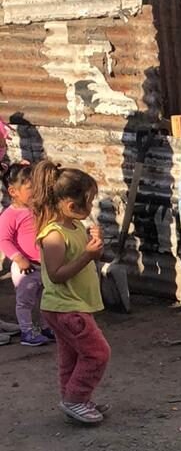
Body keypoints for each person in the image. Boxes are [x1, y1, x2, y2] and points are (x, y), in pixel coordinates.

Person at [32, 161, 110, 425]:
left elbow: (86, 257)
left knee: (72, 356)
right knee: (98, 353)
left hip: (72, 305)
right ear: (69, 205)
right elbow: (56, 274)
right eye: (88, 201)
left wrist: (94, 248)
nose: (91, 208)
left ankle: (74, 399)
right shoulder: (53, 235)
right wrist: (88, 256)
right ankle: (76, 399)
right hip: (65, 307)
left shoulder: (74, 227)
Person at [0, 162, 55, 346]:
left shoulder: (36, 208)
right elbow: (4, 240)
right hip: (26, 268)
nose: (34, 192)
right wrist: (18, 258)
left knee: (46, 300)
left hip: (43, 265)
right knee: (25, 302)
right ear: (13, 191)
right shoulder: (10, 215)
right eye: (30, 188)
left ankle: (46, 328)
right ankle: (27, 332)